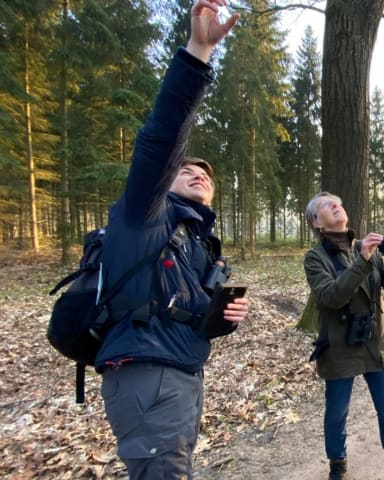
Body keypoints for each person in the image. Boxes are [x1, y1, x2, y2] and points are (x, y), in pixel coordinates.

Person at [94, 1, 247, 478]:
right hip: (148, 373)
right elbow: (161, 138)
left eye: (205, 174)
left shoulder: (196, 241)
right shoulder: (148, 214)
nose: (196, 173)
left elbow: (190, 316)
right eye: (186, 170)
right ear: (166, 180)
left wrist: (223, 317)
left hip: (179, 372)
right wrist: (197, 54)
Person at [304, 192, 384, 480]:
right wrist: (363, 260)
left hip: (376, 340)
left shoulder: (362, 247)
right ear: (317, 223)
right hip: (340, 347)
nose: (335, 205)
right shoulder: (315, 258)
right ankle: (338, 466)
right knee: (337, 413)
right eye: (326, 205)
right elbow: (330, 296)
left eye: (338, 202)